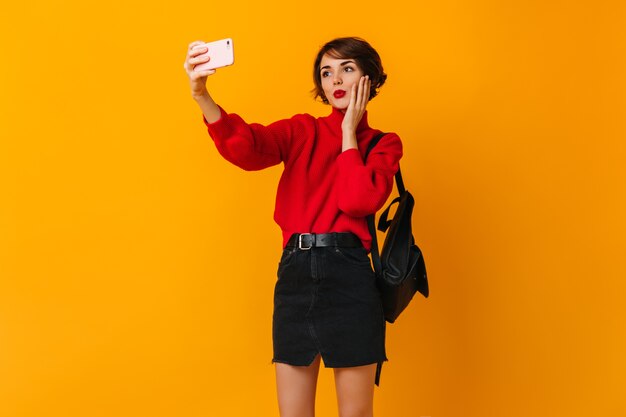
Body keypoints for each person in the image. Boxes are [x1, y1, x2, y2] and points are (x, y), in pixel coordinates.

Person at [183, 37, 402, 417]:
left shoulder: (384, 145)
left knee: (355, 414)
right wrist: (202, 95)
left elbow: (356, 201)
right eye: (326, 71)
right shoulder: (302, 130)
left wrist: (349, 133)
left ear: (369, 78)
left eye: (347, 68)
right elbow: (246, 148)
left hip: (350, 279)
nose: (335, 78)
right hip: (296, 276)